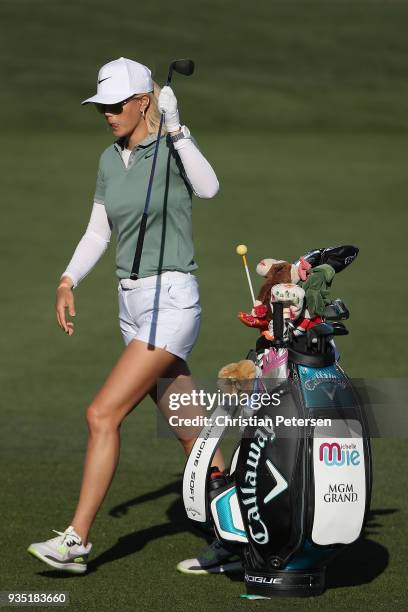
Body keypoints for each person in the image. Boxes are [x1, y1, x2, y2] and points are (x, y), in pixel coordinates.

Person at [27, 57, 235, 575]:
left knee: (101, 414)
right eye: (101, 106)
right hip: (131, 305)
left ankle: (76, 540)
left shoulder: (171, 147)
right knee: (193, 432)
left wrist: (178, 128)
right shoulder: (106, 159)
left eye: (117, 104)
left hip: (172, 300)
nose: (107, 114)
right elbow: (99, 232)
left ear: (144, 102)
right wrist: (67, 279)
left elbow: (209, 188)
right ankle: (241, 537)